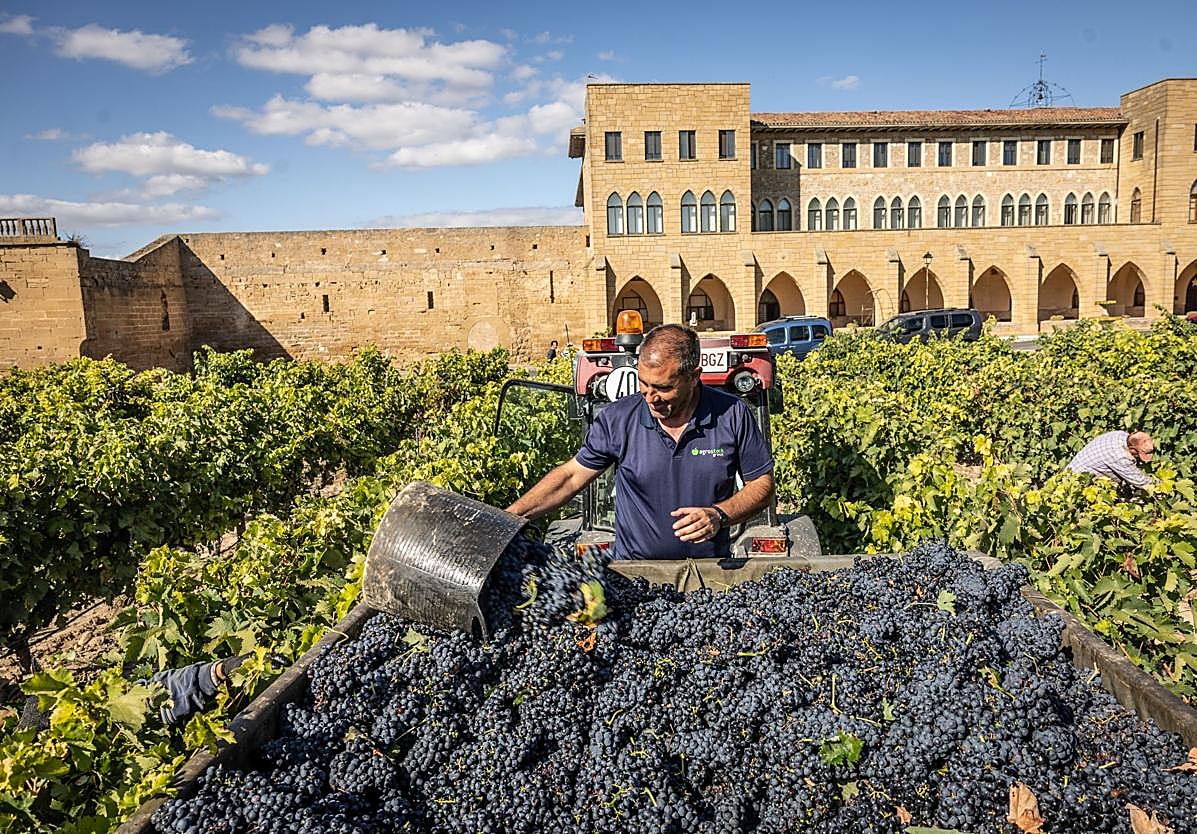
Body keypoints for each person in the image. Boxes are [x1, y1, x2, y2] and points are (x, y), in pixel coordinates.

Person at [507, 324, 774, 560]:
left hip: (711, 574)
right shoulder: (618, 419)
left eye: (664, 388)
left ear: (694, 377)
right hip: (635, 574)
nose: (650, 397)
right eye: (643, 384)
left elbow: (762, 485)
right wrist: (510, 518)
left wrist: (719, 515)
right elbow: (571, 477)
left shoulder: (732, 414)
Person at [1067, 430, 1156, 491]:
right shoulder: (1120, 456)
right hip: (1078, 482)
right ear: (1132, 448)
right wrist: (1159, 484)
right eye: (1139, 454)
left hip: (1073, 471)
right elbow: (1141, 482)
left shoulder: (1120, 434)